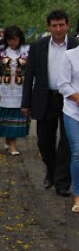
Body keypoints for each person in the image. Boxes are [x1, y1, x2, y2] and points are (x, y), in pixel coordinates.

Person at [21, 9, 79, 196]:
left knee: (67, 142)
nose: (58, 29)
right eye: (54, 26)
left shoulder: (75, 45)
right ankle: (51, 171)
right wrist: (26, 102)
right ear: (49, 27)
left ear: (67, 25)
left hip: (69, 99)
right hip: (45, 97)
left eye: (61, 25)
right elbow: (29, 75)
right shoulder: (38, 46)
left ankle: (62, 182)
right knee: (44, 141)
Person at [0, 26, 30, 155]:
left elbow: (32, 71)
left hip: (20, 91)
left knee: (17, 117)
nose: (13, 42)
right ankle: (9, 142)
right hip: (5, 90)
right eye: (10, 40)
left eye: (15, 39)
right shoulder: (0, 51)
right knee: (7, 117)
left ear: (19, 38)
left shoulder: (27, 51)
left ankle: (12, 144)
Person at [55, 40, 79, 213]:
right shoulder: (69, 56)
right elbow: (63, 84)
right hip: (73, 112)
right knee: (77, 151)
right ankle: (78, 195)